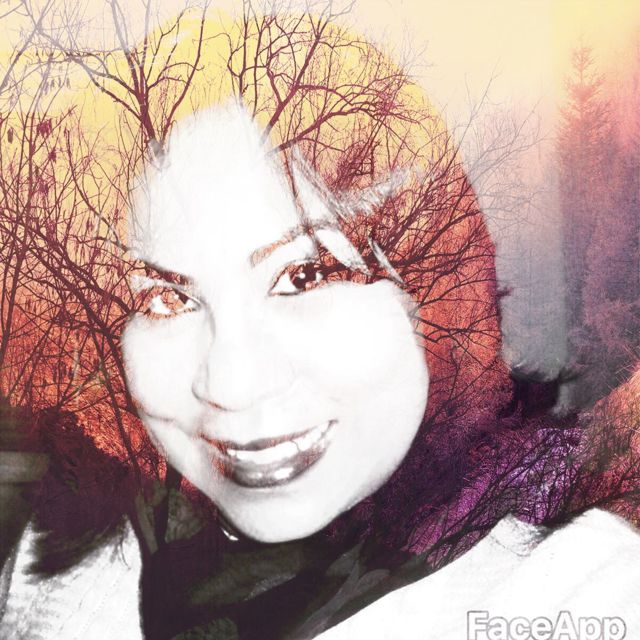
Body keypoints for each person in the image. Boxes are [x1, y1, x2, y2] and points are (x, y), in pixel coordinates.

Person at [2, 9, 640, 640]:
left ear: (439, 300)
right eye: (167, 300)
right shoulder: (70, 571)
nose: (231, 383)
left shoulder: (583, 592)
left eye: (305, 276)